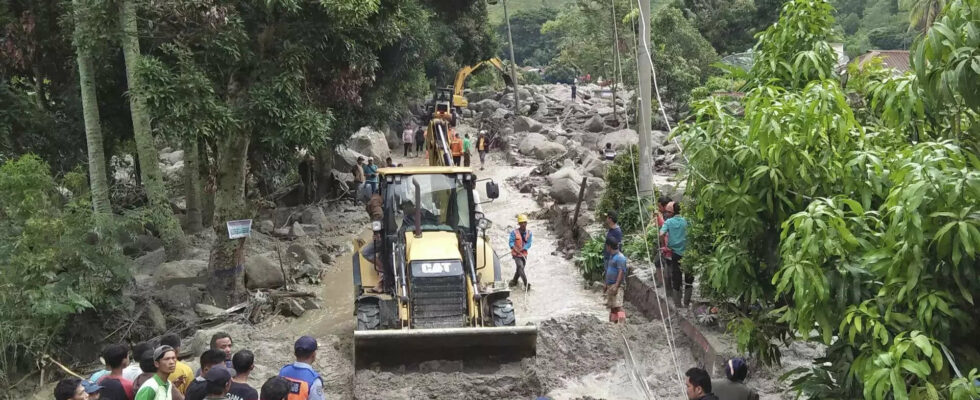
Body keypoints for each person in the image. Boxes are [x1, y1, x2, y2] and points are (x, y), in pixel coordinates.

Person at [661, 202, 691, 307]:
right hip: (688, 253)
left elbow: (661, 233)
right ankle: (687, 302)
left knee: (676, 277)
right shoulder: (687, 220)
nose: (667, 214)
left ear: (672, 212)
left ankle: (677, 304)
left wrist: (664, 245)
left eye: (668, 212)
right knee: (689, 278)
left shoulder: (669, 222)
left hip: (675, 253)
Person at [604, 237, 628, 323]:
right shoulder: (612, 256)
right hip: (611, 284)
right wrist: (606, 284)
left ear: (609, 246)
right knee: (612, 306)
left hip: (617, 285)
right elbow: (609, 270)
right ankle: (613, 325)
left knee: (618, 306)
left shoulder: (620, 257)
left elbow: (621, 272)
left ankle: (622, 325)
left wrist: (616, 285)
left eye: (606, 246)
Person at [508, 214, 533, 289]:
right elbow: (511, 242)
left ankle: (514, 281)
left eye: (524, 222)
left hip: (524, 254)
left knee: (519, 269)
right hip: (516, 254)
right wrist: (514, 248)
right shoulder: (514, 233)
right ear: (519, 223)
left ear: (526, 223)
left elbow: (529, 243)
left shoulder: (529, 233)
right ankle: (526, 283)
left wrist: (523, 248)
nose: (523, 224)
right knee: (520, 267)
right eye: (521, 223)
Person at [653, 196, 672, 288]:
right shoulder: (665, 214)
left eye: (660, 207)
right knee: (659, 261)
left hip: (669, 244)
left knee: (661, 261)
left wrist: (664, 245)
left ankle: (664, 283)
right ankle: (662, 281)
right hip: (665, 243)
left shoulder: (669, 217)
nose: (659, 209)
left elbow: (664, 230)